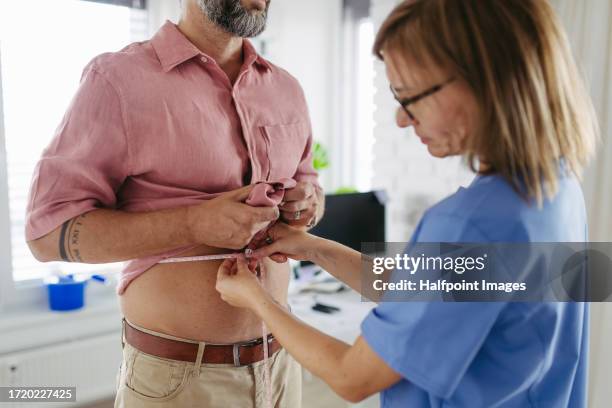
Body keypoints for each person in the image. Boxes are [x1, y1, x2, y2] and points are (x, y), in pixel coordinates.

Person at [215, 0, 598, 406]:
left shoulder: (470, 223)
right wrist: (311, 246)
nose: (401, 119)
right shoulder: (556, 190)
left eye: (409, 96)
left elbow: (352, 376)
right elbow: (431, 289)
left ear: (484, 80)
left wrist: (259, 301)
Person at [25, 0, 324, 406]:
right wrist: (193, 224)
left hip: (282, 367)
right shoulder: (117, 80)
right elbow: (47, 235)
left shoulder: (285, 88)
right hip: (179, 383)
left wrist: (307, 205)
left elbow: (310, 190)